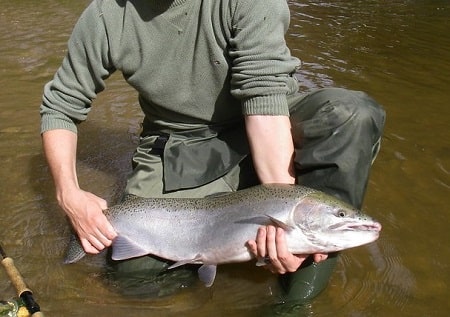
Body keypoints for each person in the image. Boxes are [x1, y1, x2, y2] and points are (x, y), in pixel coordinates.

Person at [40, 0, 385, 307]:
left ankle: (297, 297)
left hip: (273, 116)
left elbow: (263, 100)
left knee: (350, 114)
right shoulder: (106, 15)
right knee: (134, 278)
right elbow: (60, 106)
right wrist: (69, 194)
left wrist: (282, 218)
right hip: (182, 139)